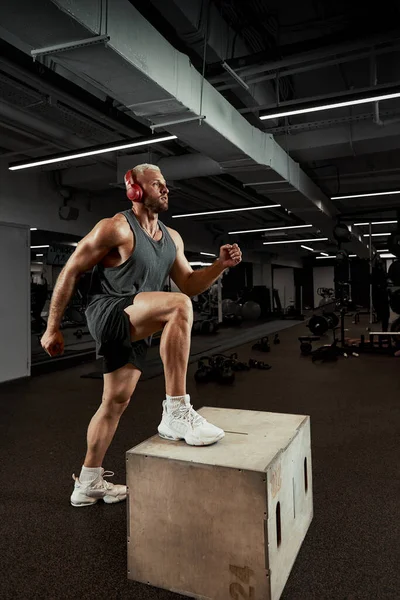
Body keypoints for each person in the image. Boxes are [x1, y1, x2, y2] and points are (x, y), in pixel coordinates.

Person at [40, 163, 242, 508]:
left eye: (166, 184)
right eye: (157, 184)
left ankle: (88, 481)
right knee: (177, 306)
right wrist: (52, 326)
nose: (165, 189)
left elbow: (190, 284)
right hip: (109, 311)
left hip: (138, 317)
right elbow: (71, 270)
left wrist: (219, 266)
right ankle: (176, 411)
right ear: (135, 190)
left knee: (115, 403)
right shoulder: (116, 228)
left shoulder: (172, 238)